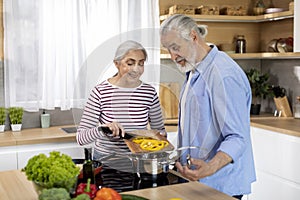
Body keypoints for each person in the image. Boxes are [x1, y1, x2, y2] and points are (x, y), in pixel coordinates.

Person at [160, 14, 256, 199]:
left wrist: (209, 167)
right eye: (168, 49)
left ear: (194, 37)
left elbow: (237, 137)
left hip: (219, 185)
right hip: (197, 182)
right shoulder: (195, 68)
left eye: (175, 47)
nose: (172, 56)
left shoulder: (223, 75)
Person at [76, 40, 166, 162]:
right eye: (130, 63)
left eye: (141, 64)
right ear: (116, 64)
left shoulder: (149, 93)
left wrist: (152, 139)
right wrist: (104, 129)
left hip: (138, 163)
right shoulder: (100, 92)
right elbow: (81, 138)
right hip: (106, 162)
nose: (136, 69)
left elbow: (160, 132)